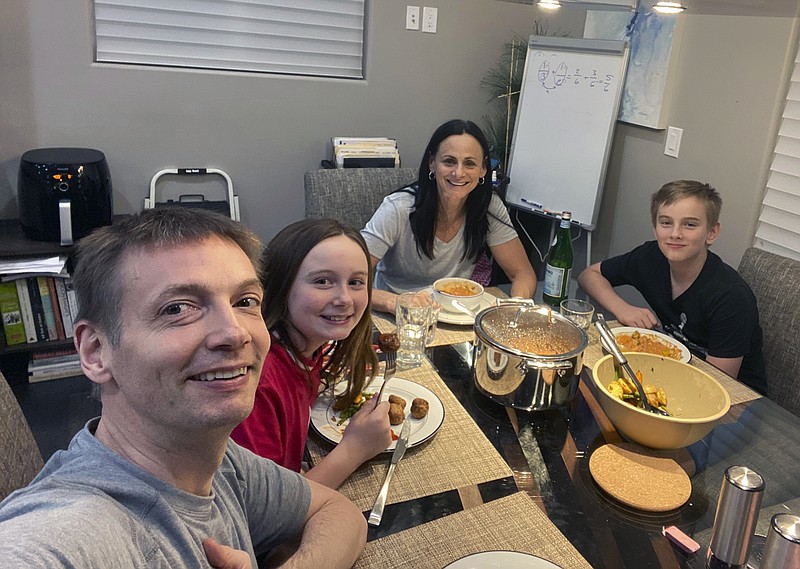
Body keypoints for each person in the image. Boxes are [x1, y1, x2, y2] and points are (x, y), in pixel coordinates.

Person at [0, 208, 366, 568]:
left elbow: (341, 514)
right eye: (177, 308)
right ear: (96, 351)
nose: (235, 332)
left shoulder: (221, 461)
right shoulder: (78, 527)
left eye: (245, 302)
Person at [231, 218, 392, 489]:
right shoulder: (257, 384)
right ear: (281, 287)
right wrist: (355, 449)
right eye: (322, 281)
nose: (344, 299)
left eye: (355, 282)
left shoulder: (311, 347)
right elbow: (270, 514)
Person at [578, 180, 766, 394]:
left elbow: (717, 386)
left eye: (690, 225)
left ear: (712, 233)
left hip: (737, 402)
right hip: (674, 373)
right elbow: (589, 275)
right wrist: (622, 308)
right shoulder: (650, 258)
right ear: (655, 228)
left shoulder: (730, 296)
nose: (675, 233)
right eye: (666, 223)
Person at [362, 119, 537, 313]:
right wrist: (393, 302)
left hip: (458, 314)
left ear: (483, 170)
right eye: (449, 161)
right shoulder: (397, 208)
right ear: (432, 163)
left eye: (469, 163)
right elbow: (346, 278)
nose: (458, 173)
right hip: (397, 316)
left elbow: (522, 273)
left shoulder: (489, 206)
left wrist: (517, 305)